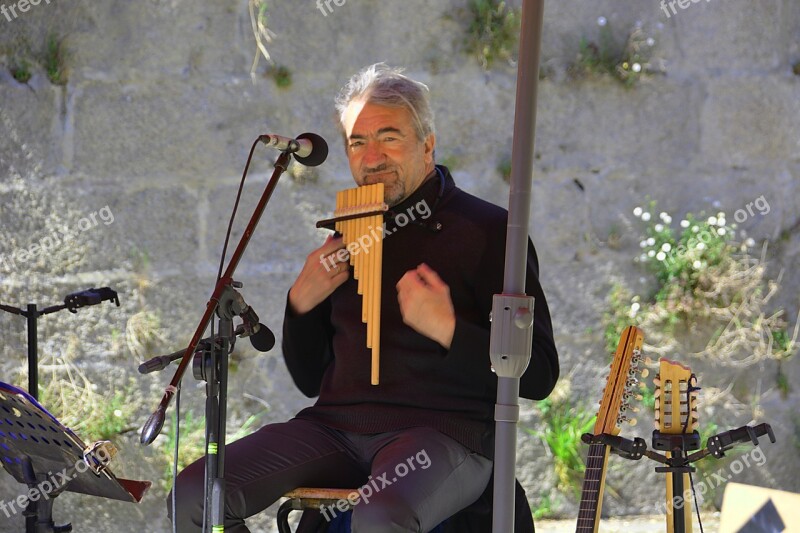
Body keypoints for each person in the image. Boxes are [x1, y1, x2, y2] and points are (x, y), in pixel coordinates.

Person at [169, 63, 559, 533]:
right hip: (334, 428)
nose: (371, 158)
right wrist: (301, 304)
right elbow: (310, 379)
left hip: (448, 435)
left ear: (427, 143)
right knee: (195, 496)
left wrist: (450, 330)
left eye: (389, 138)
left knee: (380, 516)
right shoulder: (345, 234)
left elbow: (538, 375)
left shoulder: (492, 232)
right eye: (357, 142)